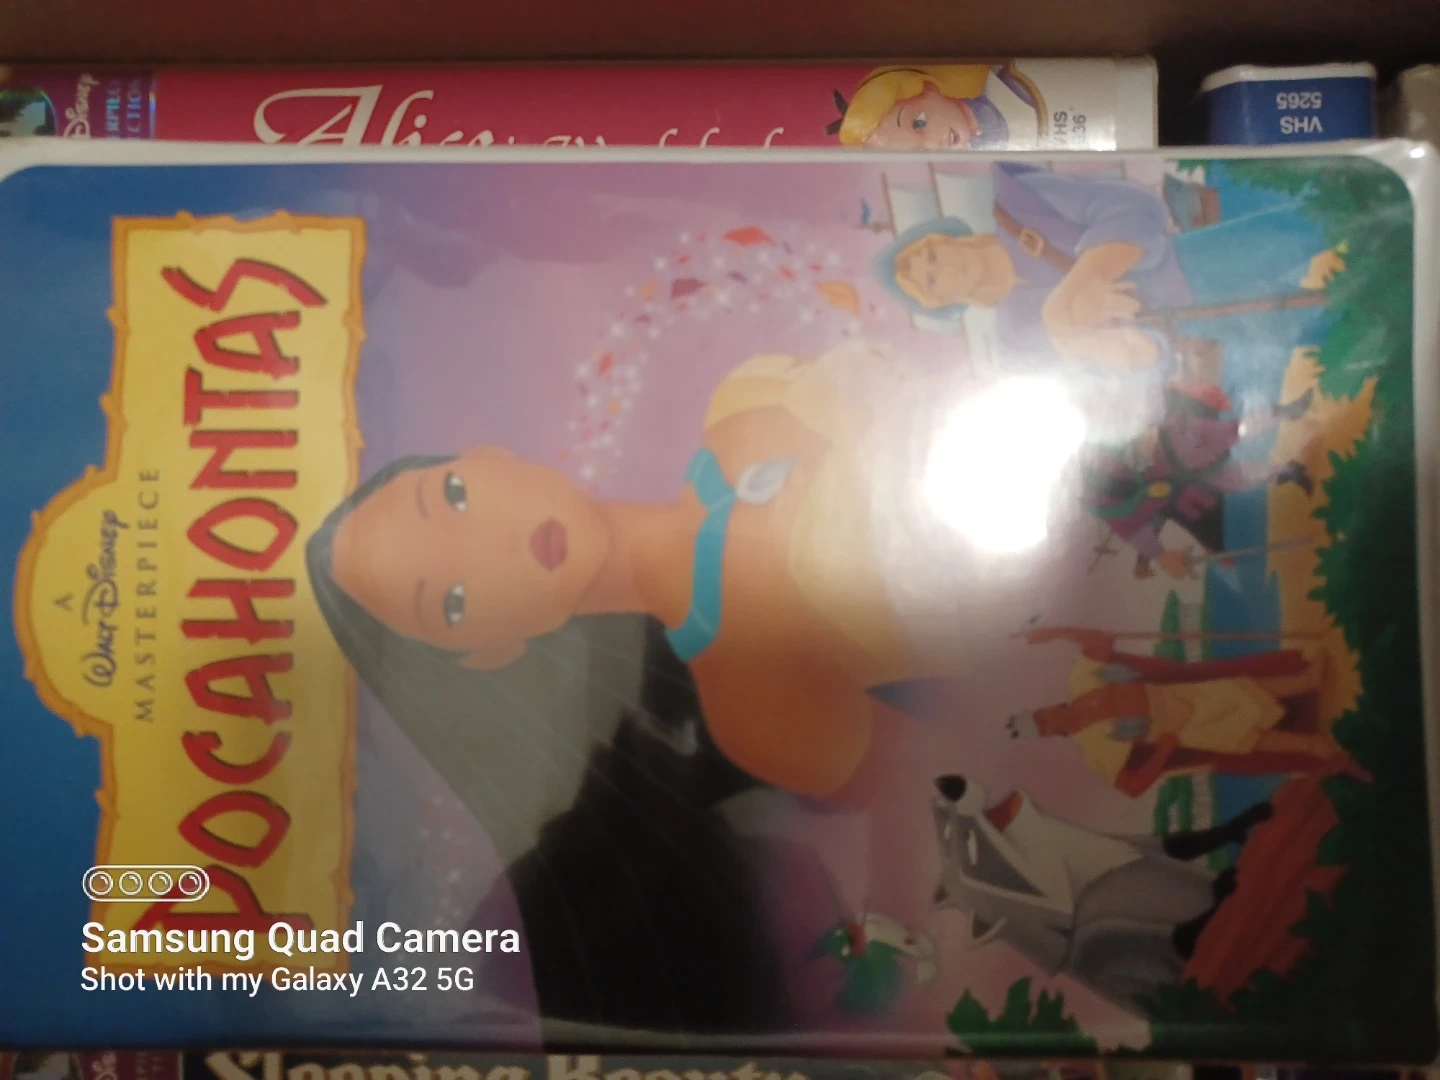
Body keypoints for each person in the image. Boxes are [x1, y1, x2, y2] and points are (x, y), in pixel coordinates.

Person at [873, 163, 1339, 419]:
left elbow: (1131, 205)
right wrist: (1083, 340)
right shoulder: (1018, 346)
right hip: (1209, 323)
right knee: (1343, 330)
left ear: (947, 235)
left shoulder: (1017, 204)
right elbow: (1124, 381)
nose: (940, 264)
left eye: (929, 252)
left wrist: (1076, 291)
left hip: (1206, 257)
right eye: (930, 279)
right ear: (945, 305)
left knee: (1332, 225)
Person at [930, 772, 1272, 1013]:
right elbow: (1177, 945)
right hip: (1238, 965)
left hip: (1237, 910)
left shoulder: (1076, 852)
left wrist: (1227, 831)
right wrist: (1221, 906)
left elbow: (1162, 847)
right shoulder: (1090, 942)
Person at [1009, 627, 1340, 797]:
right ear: (1049, 734)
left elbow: (1100, 641)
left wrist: (1057, 632)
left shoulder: (1080, 681)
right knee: (1245, 738)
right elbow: (1131, 786)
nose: (1046, 717)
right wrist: (1163, 752)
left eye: (1041, 713)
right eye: (1042, 724)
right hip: (1178, 729)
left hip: (1174, 694)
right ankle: (1311, 745)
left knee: (1241, 689)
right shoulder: (1094, 749)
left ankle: (1306, 681)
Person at [1081, 381, 1315, 580]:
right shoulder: (1110, 501)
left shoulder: (1104, 439)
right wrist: (1158, 556)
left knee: (1234, 432)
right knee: (1235, 477)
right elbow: (1139, 528)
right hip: (1181, 475)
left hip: (1179, 440)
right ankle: (1288, 470)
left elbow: (1142, 411)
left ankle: (1286, 415)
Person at [831, 63, 1045, 150]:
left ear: (928, 88)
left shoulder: (1009, 82)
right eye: (920, 152)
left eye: (919, 123)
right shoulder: (981, 156)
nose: (934, 143)